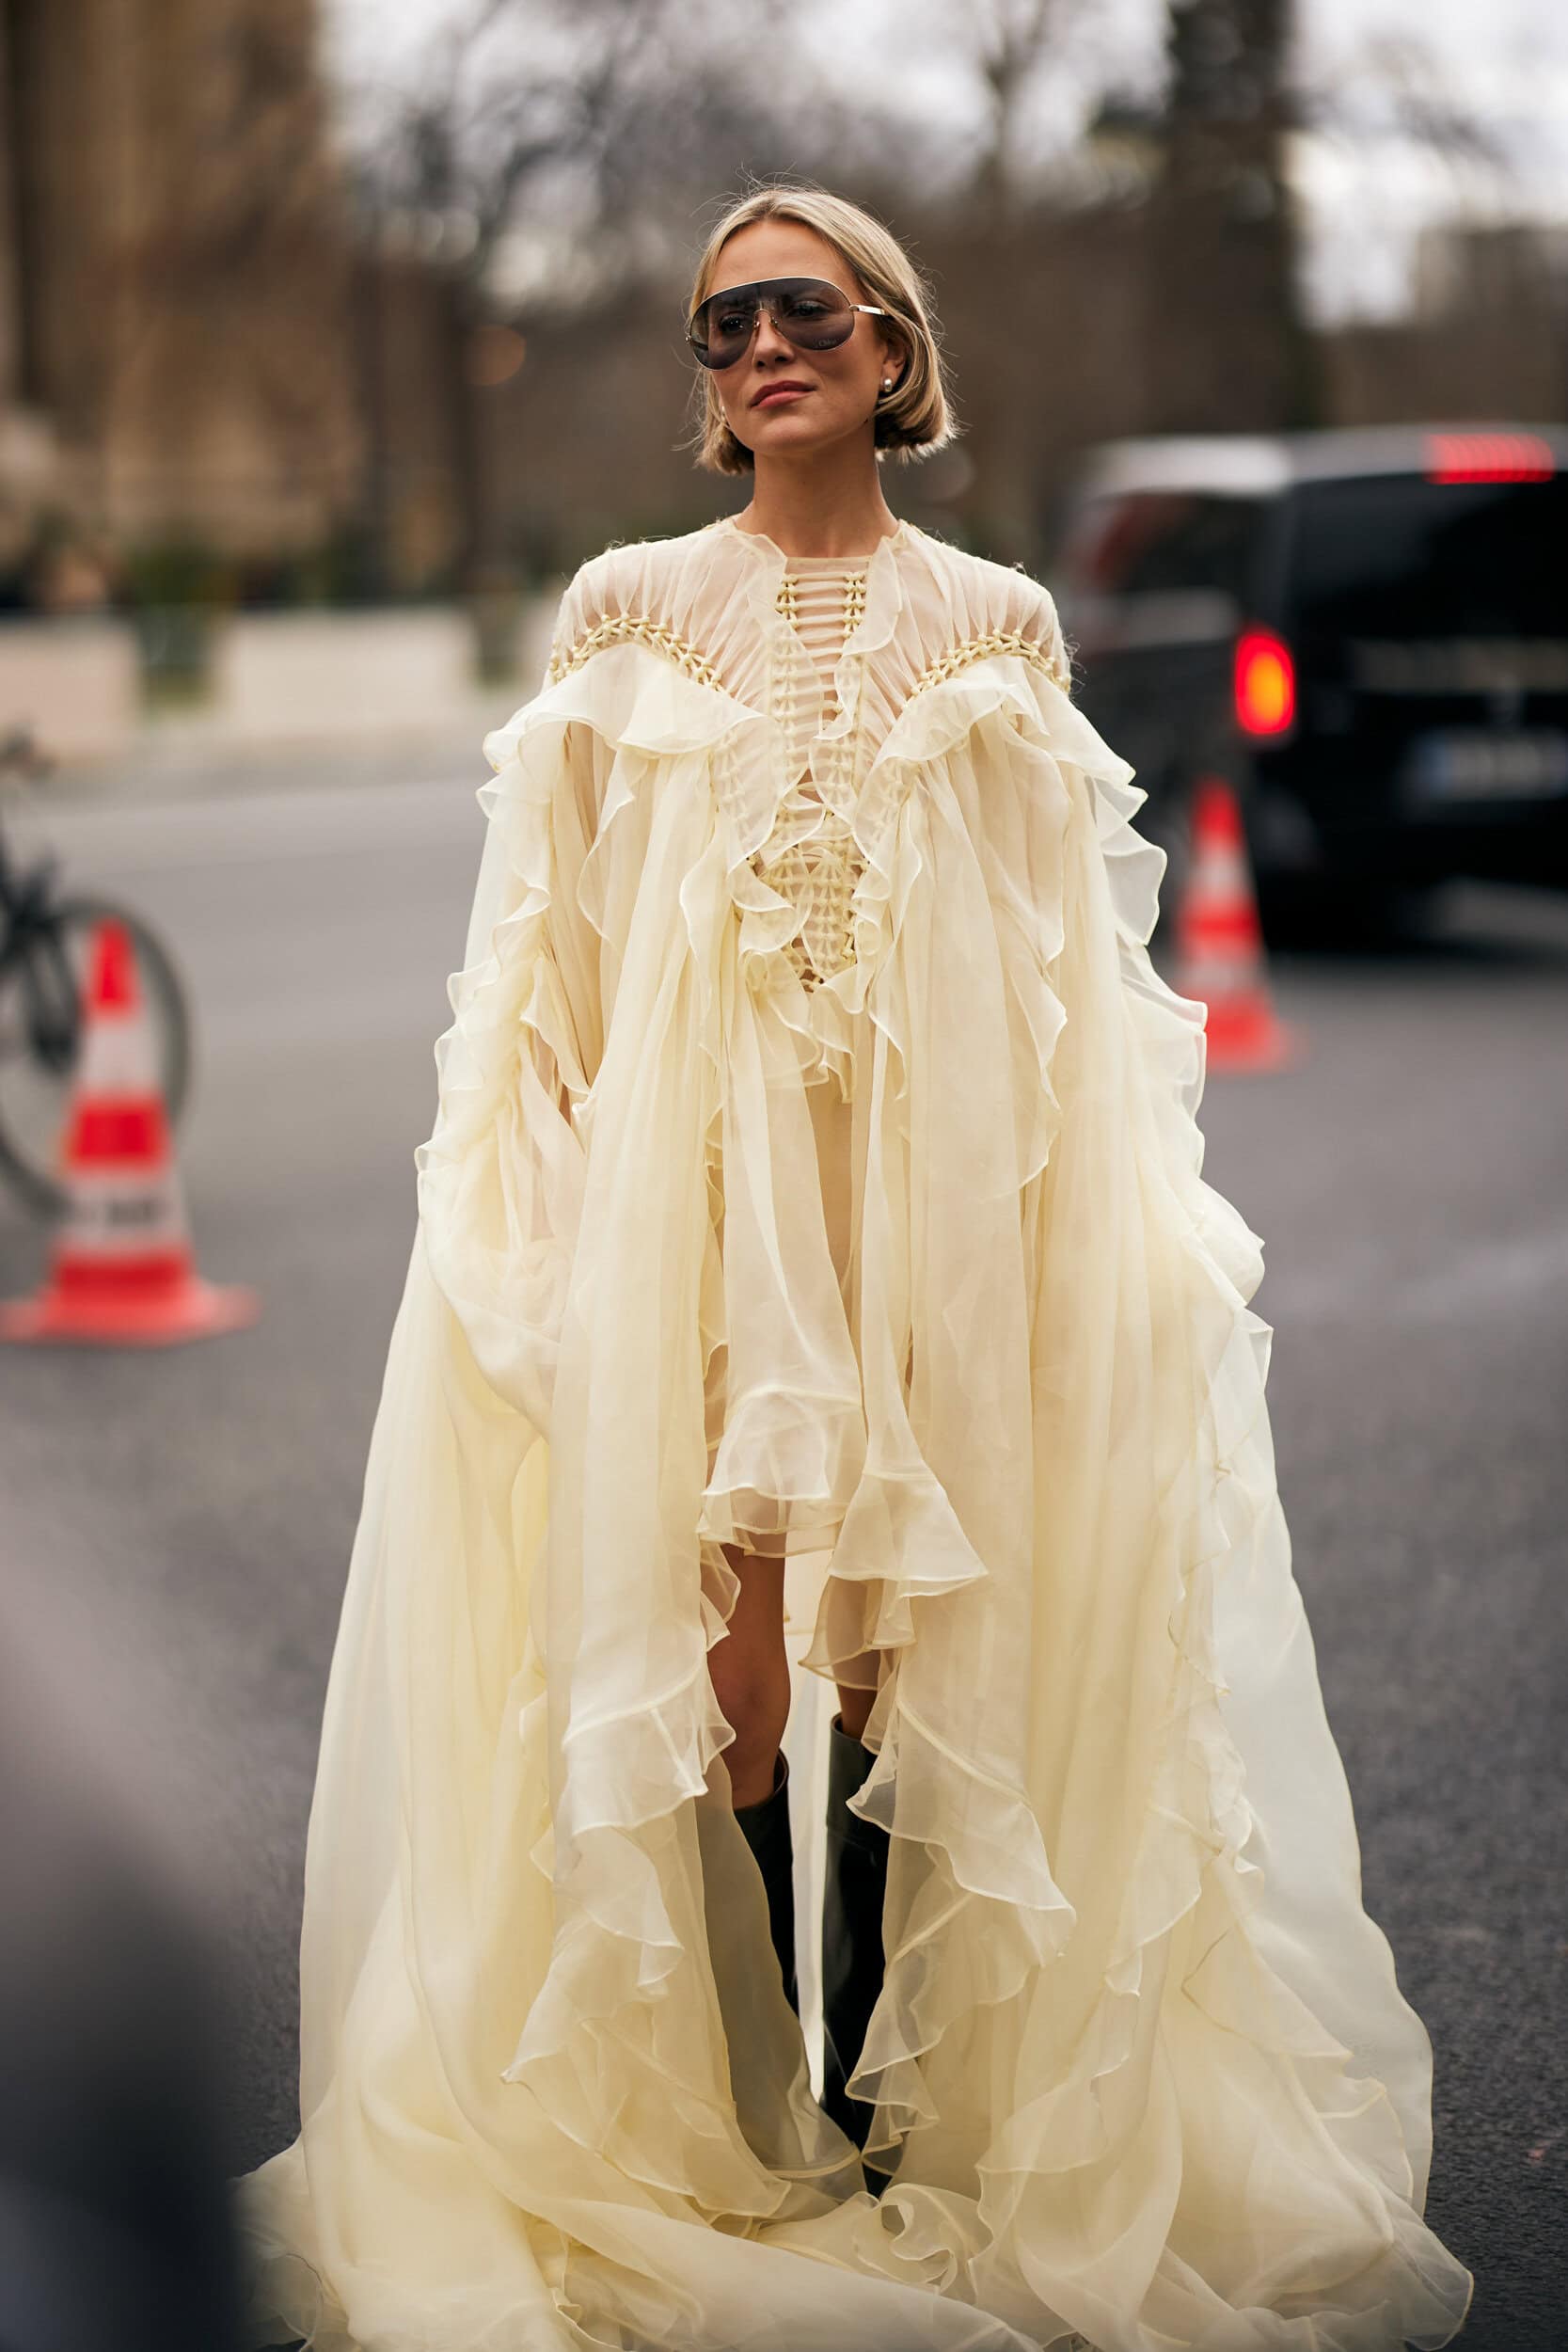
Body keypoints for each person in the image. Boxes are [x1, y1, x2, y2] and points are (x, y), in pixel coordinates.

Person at [233, 184, 1474, 2352]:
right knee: (716, 1682)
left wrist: (1076, 1262)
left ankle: (892, 2145)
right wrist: (566, 1251)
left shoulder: (996, 629)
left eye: (800, 311)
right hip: (686, 1243)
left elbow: (1059, 987)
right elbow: (558, 967)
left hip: (937, 1242)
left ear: (892, 347)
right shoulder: (624, 610)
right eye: (720, 328)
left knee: (917, 1675)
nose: (756, 352)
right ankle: (753, 2130)